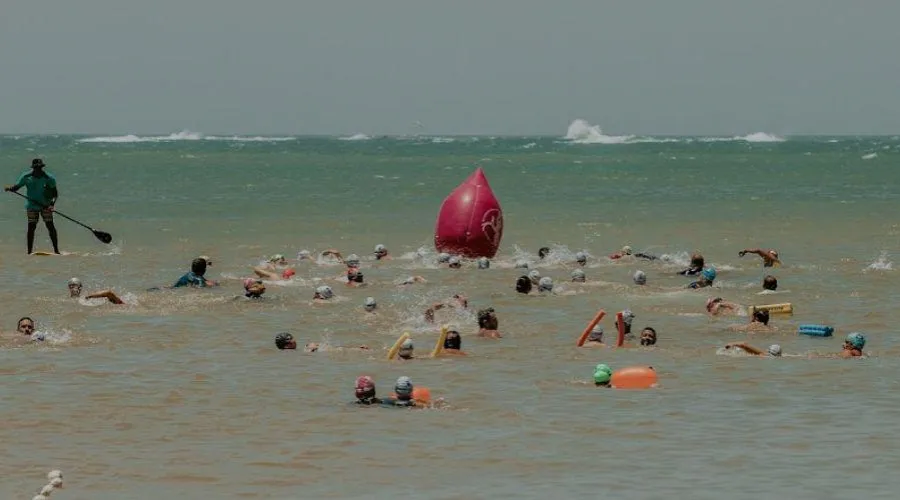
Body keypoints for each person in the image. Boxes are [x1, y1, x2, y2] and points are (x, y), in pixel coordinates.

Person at [5, 158, 60, 254]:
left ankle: (56, 250)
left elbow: (55, 194)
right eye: (36, 168)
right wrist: (10, 188)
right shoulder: (26, 176)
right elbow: (17, 187)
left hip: (45, 205)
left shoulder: (49, 178)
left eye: (40, 168)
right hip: (31, 206)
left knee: (50, 226)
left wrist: (51, 205)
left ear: (42, 167)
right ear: (33, 168)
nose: (38, 170)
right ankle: (29, 252)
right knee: (31, 227)